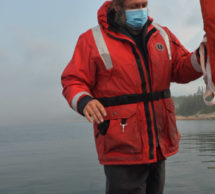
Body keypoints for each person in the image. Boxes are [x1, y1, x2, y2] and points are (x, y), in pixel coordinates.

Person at [61, 0, 204, 193]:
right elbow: (72, 80)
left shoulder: (162, 34)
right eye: (134, 6)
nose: (141, 11)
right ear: (117, 7)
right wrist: (85, 101)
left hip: (159, 144)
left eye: (143, 4)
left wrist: (203, 54)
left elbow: (181, 69)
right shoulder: (91, 39)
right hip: (121, 147)